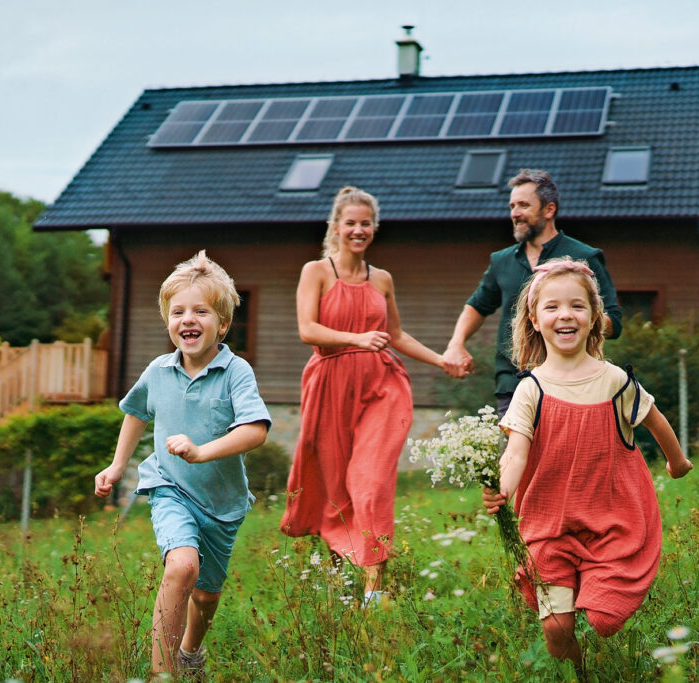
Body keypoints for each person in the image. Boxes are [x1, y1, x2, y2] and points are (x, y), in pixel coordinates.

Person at [481, 257, 693, 672]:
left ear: (595, 316)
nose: (565, 314)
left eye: (577, 305)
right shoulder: (531, 389)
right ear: (534, 319)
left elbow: (655, 420)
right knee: (557, 630)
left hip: (610, 523)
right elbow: (516, 452)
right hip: (548, 526)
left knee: (603, 617)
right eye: (552, 306)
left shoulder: (614, 381)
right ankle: (579, 675)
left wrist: (678, 461)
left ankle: (597, 596)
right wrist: (503, 489)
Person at [94, 250, 271, 678]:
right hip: (170, 487)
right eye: (178, 312)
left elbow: (256, 430)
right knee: (182, 566)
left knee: (206, 596)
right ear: (168, 321)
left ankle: (190, 653)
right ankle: (162, 674)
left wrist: (201, 451)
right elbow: (136, 413)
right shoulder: (158, 371)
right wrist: (117, 466)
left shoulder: (236, 372)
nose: (188, 319)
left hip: (222, 503)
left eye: (201, 311)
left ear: (222, 324)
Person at [279, 186, 444, 605]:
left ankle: (374, 591)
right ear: (336, 227)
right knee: (333, 487)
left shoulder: (381, 279)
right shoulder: (316, 271)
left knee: (371, 483)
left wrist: (441, 360)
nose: (358, 230)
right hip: (329, 386)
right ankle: (336, 582)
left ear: (374, 228)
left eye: (365, 223)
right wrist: (358, 338)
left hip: (380, 386)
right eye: (350, 223)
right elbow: (307, 329)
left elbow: (396, 335)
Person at [443, 169, 623, 416]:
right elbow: (477, 306)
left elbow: (614, 321)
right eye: (512, 206)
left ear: (549, 210)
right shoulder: (501, 261)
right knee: (515, 444)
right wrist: (456, 344)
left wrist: (577, 320)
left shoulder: (585, 257)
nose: (515, 213)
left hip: (571, 383)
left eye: (524, 205)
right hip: (513, 384)